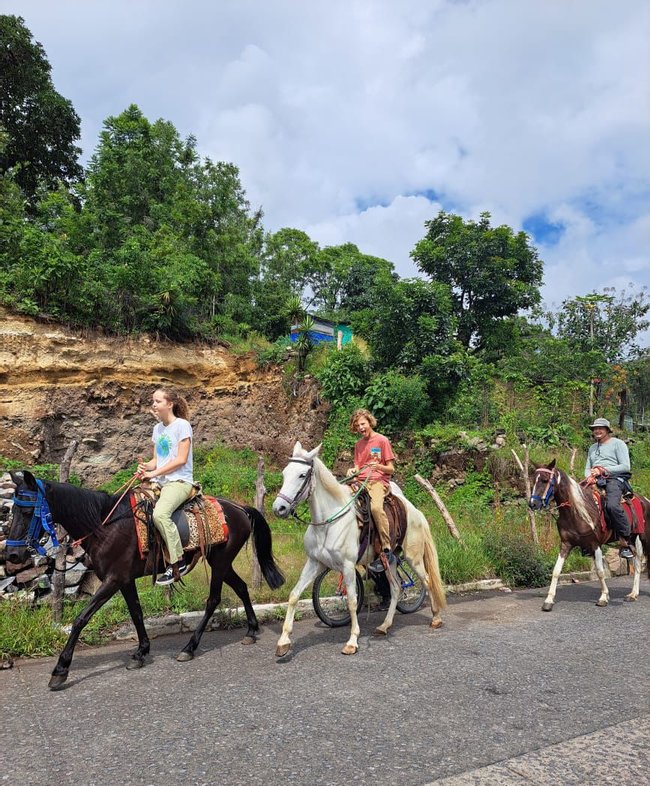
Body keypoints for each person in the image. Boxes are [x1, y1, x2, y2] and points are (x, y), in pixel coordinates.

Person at [137, 387, 194, 585]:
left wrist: (154, 473)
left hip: (179, 481)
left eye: (158, 401)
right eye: (153, 401)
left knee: (160, 515)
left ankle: (178, 561)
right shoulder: (157, 429)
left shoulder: (182, 425)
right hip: (160, 481)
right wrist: (146, 468)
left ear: (170, 404)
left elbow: (180, 459)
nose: (154, 404)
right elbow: (156, 460)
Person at [348, 408, 396, 573]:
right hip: (360, 480)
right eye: (358, 425)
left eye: (363, 423)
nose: (361, 427)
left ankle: (386, 546)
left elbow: (391, 468)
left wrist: (378, 466)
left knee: (375, 508)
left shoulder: (382, 440)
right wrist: (353, 471)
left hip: (377, 481)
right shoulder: (358, 445)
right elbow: (357, 465)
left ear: (370, 422)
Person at [584, 417, 633, 559]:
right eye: (595, 429)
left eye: (600, 428)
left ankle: (625, 541)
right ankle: (587, 541)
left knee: (612, 505)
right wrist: (589, 477)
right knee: (577, 501)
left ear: (607, 430)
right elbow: (587, 468)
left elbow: (625, 466)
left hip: (614, 479)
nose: (597, 431)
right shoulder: (592, 448)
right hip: (595, 480)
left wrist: (603, 470)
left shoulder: (618, 444)